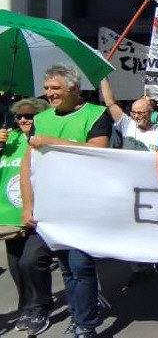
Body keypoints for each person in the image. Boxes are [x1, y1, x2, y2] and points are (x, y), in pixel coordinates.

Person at [20, 64, 113, 338]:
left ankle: (85, 324)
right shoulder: (41, 119)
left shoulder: (95, 115)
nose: (49, 93)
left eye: (55, 88)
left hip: (83, 206)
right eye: (47, 88)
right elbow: (28, 166)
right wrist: (28, 205)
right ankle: (71, 314)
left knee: (79, 265)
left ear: (73, 89)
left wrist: (53, 141)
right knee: (50, 264)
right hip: (51, 208)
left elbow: (98, 152)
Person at [100, 78, 158, 286]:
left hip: (152, 190)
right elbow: (110, 102)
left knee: (149, 227)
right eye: (134, 112)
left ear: (151, 114)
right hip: (128, 189)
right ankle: (139, 267)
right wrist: (102, 75)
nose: (136, 116)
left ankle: (156, 257)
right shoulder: (128, 125)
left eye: (141, 113)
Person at [1, 97, 52, 336]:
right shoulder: (7, 139)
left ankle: (41, 307)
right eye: (19, 116)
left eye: (29, 116)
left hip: (38, 213)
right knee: (15, 265)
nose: (23, 120)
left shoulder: (43, 140)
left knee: (31, 261)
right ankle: (26, 307)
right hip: (10, 216)